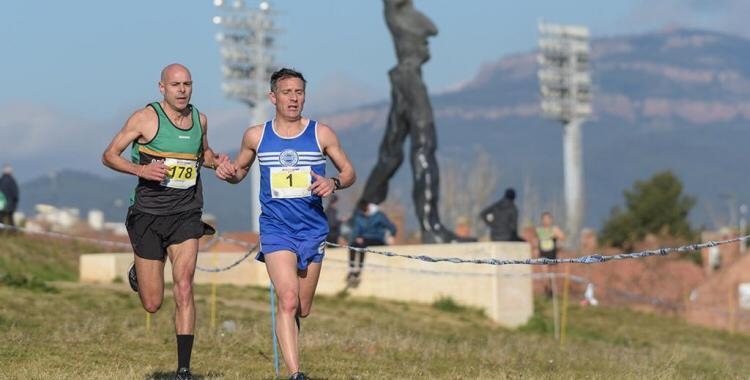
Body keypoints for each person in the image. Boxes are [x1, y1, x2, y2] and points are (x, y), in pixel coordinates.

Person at [215, 67, 355, 380]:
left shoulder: (322, 134)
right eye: (287, 92)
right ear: (273, 97)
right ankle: (295, 373)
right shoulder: (256, 136)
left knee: (302, 307)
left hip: (312, 229)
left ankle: (291, 341)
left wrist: (333, 182)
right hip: (276, 229)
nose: (293, 98)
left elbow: (349, 172)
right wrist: (227, 173)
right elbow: (239, 172)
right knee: (288, 299)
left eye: (299, 92)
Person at [102, 63, 222, 380]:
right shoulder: (145, 118)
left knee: (184, 287)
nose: (182, 90)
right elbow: (109, 155)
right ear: (162, 88)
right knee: (153, 304)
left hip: (186, 214)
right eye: (175, 85)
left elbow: (203, 155)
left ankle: (184, 369)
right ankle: (139, 270)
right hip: (148, 217)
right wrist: (141, 171)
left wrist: (219, 164)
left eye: (187, 84)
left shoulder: (201, 120)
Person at [359, 0, 471, 243]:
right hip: (408, 78)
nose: (429, 33)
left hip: (406, 76)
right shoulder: (397, 11)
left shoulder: (404, 11)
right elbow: (429, 26)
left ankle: (359, 214)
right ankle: (431, 226)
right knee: (424, 149)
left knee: (391, 153)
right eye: (419, 31)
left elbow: (431, 27)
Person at [347, 200, 397, 281]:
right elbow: (356, 230)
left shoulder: (379, 215)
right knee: (353, 245)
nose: (365, 213)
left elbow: (391, 226)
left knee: (362, 245)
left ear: (368, 207)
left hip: (377, 239)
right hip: (364, 239)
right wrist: (356, 237)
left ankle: (359, 270)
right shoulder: (360, 217)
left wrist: (392, 236)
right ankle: (352, 270)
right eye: (363, 211)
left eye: (365, 210)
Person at [535, 211, 566, 298]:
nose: (546, 221)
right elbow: (536, 241)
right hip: (543, 254)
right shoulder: (539, 230)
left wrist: (557, 237)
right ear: (542, 220)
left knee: (552, 275)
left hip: (552, 253)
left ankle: (552, 293)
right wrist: (536, 249)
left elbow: (563, 237)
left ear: (551, 220)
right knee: (545, 274)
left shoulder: (554, 229)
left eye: (548, 219)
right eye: (544, 219)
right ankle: (547, 290)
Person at [0, 164, 19, 232]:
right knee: (10, 220)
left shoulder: (1, 180)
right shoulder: (12, 181)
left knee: (2, 220)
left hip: (2, 205)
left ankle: (3, 233)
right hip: (9, 205)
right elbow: (15, 194)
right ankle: (12, 234)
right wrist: (14, 204)